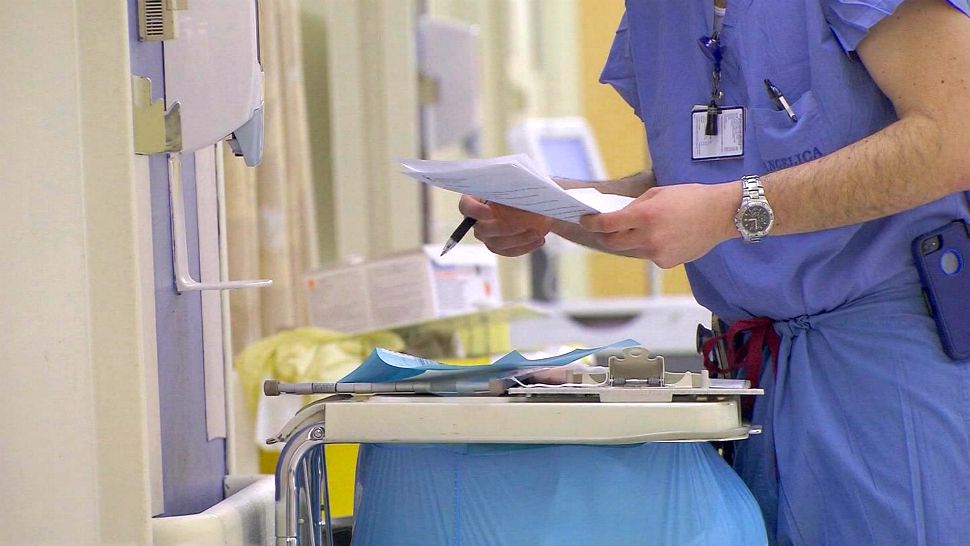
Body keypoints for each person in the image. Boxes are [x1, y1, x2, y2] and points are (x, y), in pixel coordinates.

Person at [459, 0, 970, 544]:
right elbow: (688, 197)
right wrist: (555, 208)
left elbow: (953, 138)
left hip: (897, 364)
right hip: (753, 375)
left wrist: (730, 211)